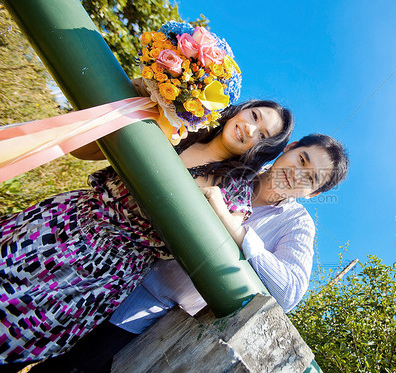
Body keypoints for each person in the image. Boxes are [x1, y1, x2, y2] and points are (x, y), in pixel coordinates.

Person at [0, 100, 294, 368]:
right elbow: (83, 149)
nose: (250, 128)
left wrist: (217, 204)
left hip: (104, 272)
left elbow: (221, 239)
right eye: (253, 116)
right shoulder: (179, 124)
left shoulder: (234, 193)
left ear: (263, 151)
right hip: (61, 224)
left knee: (18, 333)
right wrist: (140, 103)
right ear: (241, 110)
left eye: (263, 136)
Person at [27, 134, 350, 373]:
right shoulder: (242, 164)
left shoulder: (297, 223)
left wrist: (235, 228)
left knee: (68, 368)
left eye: (310, 178)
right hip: (103, 266)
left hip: (145, 309)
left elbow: (289, 291)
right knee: (26, 335)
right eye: (302, 160)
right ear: (290, 148)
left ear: (314, 193)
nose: (297, 173)